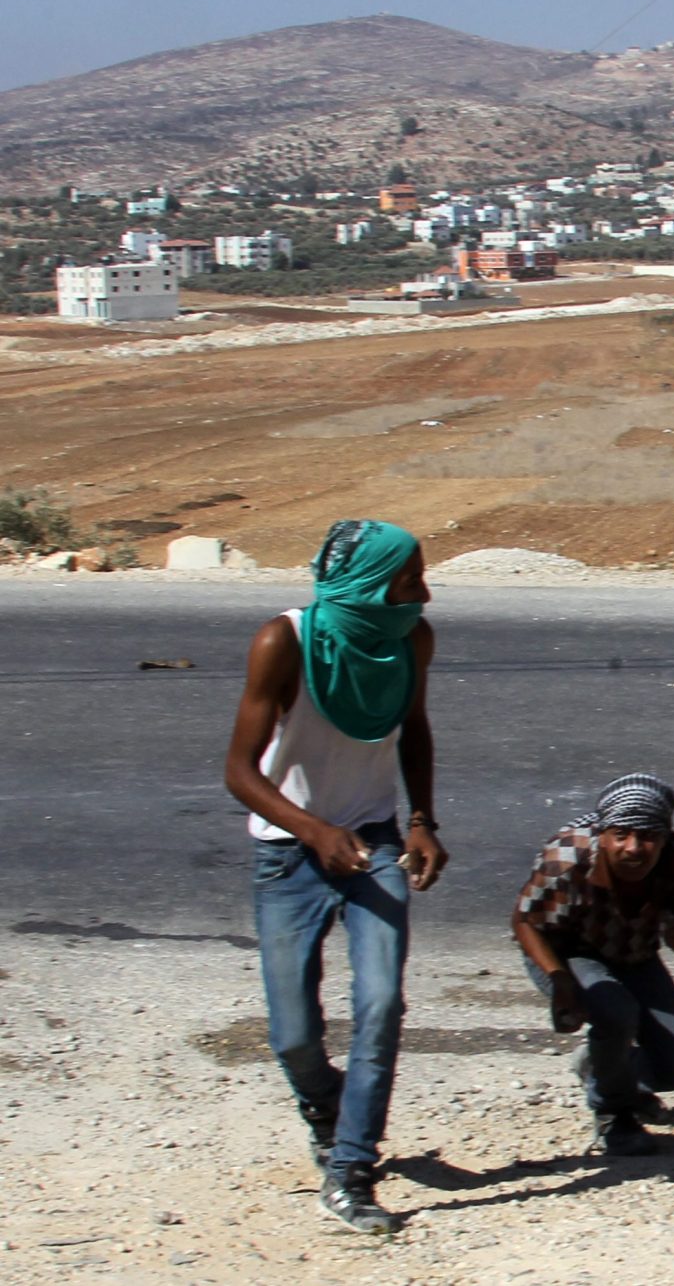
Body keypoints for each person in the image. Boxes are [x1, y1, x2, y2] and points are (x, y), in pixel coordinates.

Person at [222, 519, 447, 1234]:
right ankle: (325, 1101)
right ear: (368, 582)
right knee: (293, 1036)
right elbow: (237, 771)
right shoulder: (281, 642)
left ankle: (350, 1169)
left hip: (373, 841)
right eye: (410, 580)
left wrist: (422, 822)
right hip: (290, 850)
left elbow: (414, 727)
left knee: (381, 1002)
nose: (425, 592)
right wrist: (313, 830)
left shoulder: (412, 640)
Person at [512, 772, 674, 1157]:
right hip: (564, 951)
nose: (634, 848)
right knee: (613, 1010)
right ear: (603, 834)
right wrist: (561, 982)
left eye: (649, 837)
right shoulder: (566, 858)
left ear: (665, 838)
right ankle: (612, 1113)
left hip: (633, 952)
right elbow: (524, 922)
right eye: (621, 835)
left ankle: (604, 1068)